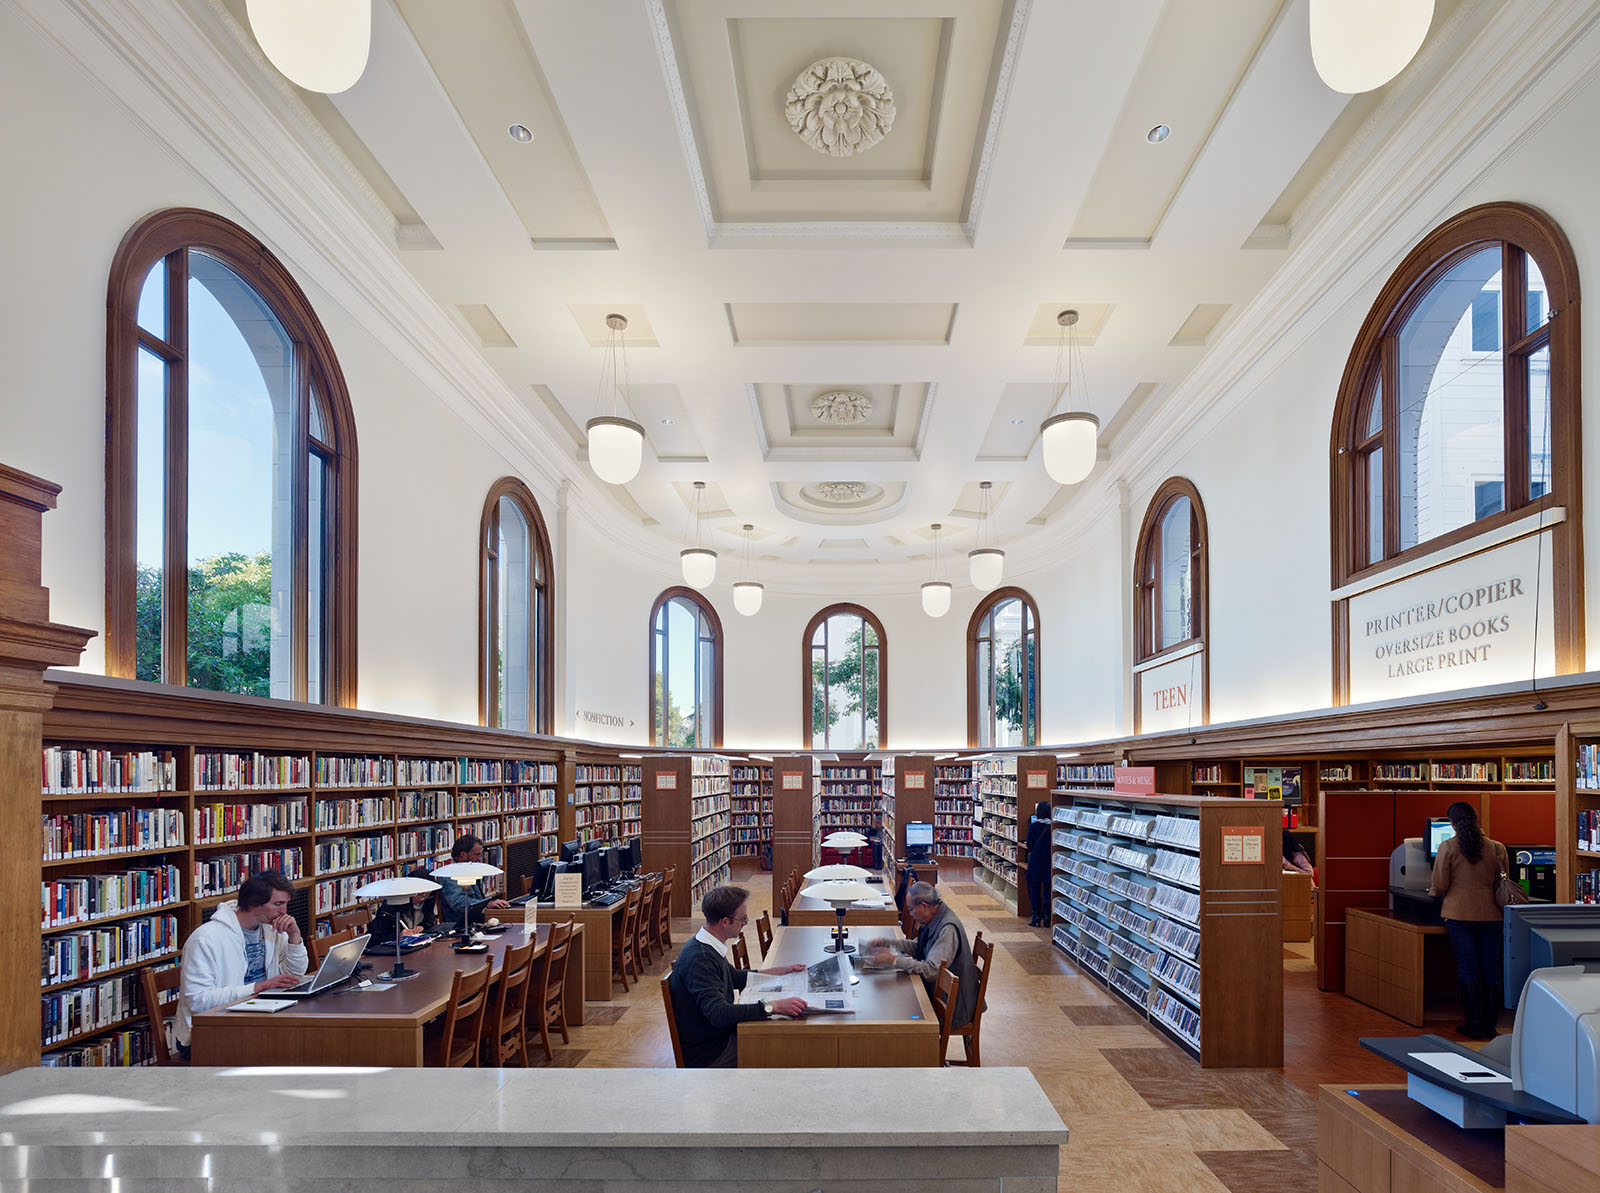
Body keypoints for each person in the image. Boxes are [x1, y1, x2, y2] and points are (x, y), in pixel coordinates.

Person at [668, 884, 807, 1067]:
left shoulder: (707, 944)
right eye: (743, 919)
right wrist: (773, 1007)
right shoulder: (700, 959)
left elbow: (734, 977)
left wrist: (779, 972)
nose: (745, 923)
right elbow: (718, 1013)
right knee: (781, 1048)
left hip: (720, 1038)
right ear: (725, 921)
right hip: (712, 1053)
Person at [174, 870, 308, 1054]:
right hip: (208, 1030)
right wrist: (258, 987)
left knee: (305, 1037)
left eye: (285, 904)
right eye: (278, 904)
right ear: (254, 904)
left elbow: (294, 976)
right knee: (291, 1046)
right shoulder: (206, 939)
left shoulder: (272, 930)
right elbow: (198, 1001)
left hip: (257, 1014)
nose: (284, 912)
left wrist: (295, 936)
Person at [1429, 801, 1510, 1040]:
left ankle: (1473, 1024)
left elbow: (1440, 884)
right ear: (1476, 819)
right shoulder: (1497, 848)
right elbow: (1503, 881)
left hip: (1459, 914)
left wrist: (1433, 891)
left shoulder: (1448, 846)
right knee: (1490, 967)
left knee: (1467, 967)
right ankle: (1490, 1024)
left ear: (1452, 823)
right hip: (1491, 914)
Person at [868, 881, 978, 1035]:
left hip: (954, 1007)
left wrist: (893, 960)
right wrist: (887, 942)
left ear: (924, 906)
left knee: (899, 1012)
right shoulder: (935, 917)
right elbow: (919, 946)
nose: (911, 915)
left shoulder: (948, 929)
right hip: (941, 995)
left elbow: (932, 970)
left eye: (911, 910)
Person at [438, 834, 511, 928]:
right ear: (463, 854)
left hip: (478, 921)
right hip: (462, 926)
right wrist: (487, 905)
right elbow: (459, 903)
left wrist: (493, 903)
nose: (480, 858)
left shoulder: (469, 869)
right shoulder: (450, 875)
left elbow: (476, 898)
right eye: (477, 854)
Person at [369, 867, 440, 942]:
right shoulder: (392, 906)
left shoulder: (427, 901)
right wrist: (398, 935)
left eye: (427, 894)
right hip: (392, 949)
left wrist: (423, 927)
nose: (422, 899)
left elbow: (429, 922)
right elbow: (374, 939)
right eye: (419, 894)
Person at [1024, 800, 1052, 926]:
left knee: (1034, 889)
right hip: (1049, 861)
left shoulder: (1033, 826)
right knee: (1047, 890)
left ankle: (1036, 916)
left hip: (1035, 861)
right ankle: (1047, 917)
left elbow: (1029, 844)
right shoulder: (1053, 827)